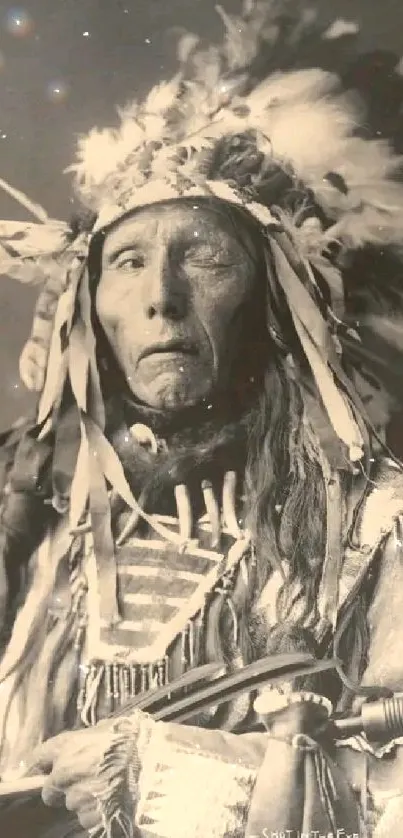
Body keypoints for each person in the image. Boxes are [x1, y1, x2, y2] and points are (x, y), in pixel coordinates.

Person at [1, 3, 403, 836]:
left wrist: (151, 767)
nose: (161, 298)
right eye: (129, 262)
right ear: (90, 308)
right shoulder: (34, 522)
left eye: (206, 257)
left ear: (270, 300)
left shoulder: (372, 525)